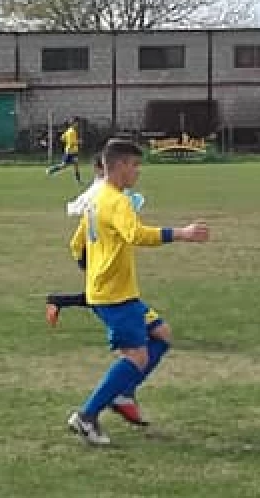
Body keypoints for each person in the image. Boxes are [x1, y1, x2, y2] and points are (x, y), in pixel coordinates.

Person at [65, 139, 209, 447]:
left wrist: (93, 270)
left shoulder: (96, 197)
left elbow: (77, 244)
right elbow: (136, 234)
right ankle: (87, 415)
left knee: (162, 335)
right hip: (115, 295)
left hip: (113, 290)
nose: (138, 171)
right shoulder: (117, 201)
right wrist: (181, 233)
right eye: (134, 165)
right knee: (138, 355)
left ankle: (123, 393)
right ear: (118, 166)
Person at [45, 154, 144, 334]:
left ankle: (58, 301)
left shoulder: (109, 190)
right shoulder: (99, 191)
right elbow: (75, 208)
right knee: (103, 295)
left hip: (94, 249)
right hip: (88, 250)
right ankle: (58, 301)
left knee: (103, 294)